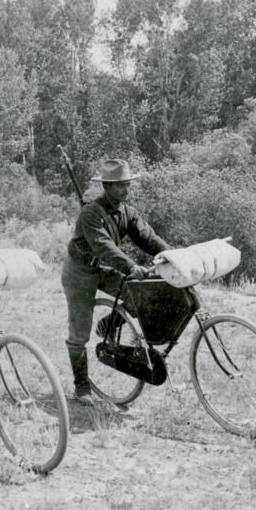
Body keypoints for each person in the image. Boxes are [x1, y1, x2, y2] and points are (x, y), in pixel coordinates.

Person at [62, 159, 171, 406]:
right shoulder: (90, 214)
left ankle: (108, 325)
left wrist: (174, 256)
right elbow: (104, 247)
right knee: (79, 334)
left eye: (127, 184)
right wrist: (131, 267)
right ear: (107, 187)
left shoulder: (127, 212)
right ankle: (81, 387)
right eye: (120, 185)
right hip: (79, 274)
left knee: (138, 296)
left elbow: (149, 238)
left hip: (104, 269)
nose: (125, 189)